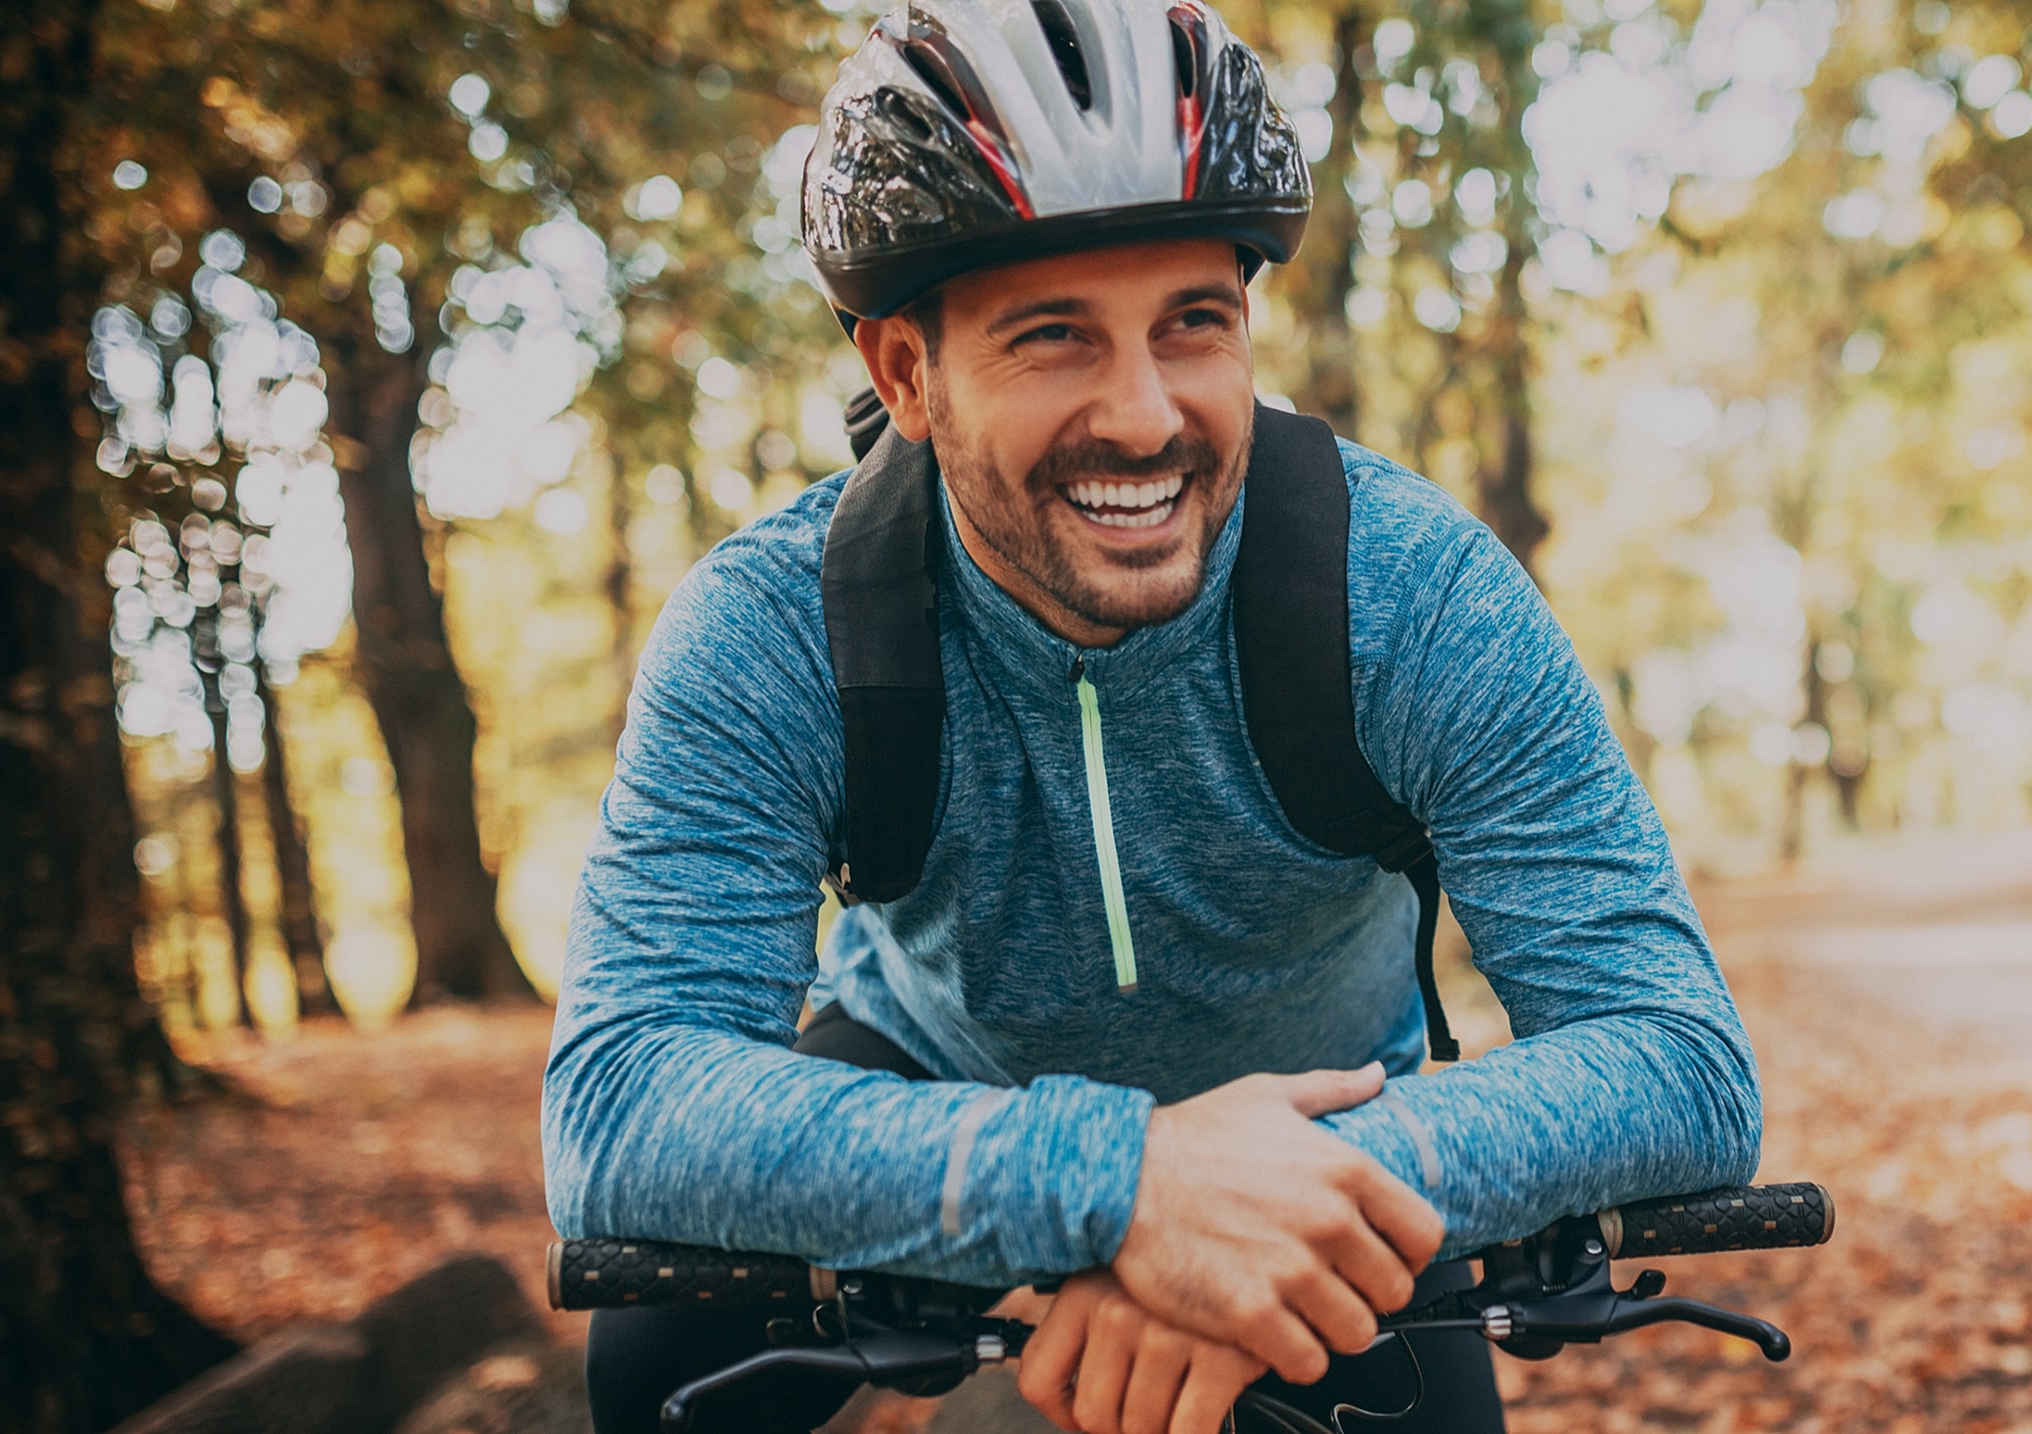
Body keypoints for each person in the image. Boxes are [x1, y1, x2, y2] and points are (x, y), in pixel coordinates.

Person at [541, 1, 1761, 1430]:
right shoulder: (771, 628)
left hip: (1333, 1133)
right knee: (654, 1367)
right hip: (943, 1074)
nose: (1142, 415)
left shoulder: (1415, 591)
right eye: (1053, 336)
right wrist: (1123, 1184)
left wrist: (1272, 1196)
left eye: (1195, 323)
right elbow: (621, 1098)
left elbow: (1679, 1052)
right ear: (906, 374)